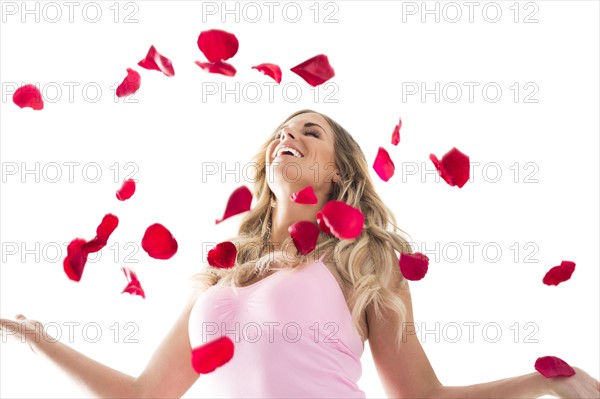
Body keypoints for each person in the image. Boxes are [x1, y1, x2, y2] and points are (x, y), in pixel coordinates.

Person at [1, 109, 599, 398]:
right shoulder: (222, 273)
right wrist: (38, 338)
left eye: (311, 132)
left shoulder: (365, 260)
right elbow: (145, 394)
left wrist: (544, 382)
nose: (290, 135)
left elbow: (421, 398)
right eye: (285, 130)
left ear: (339, 172)